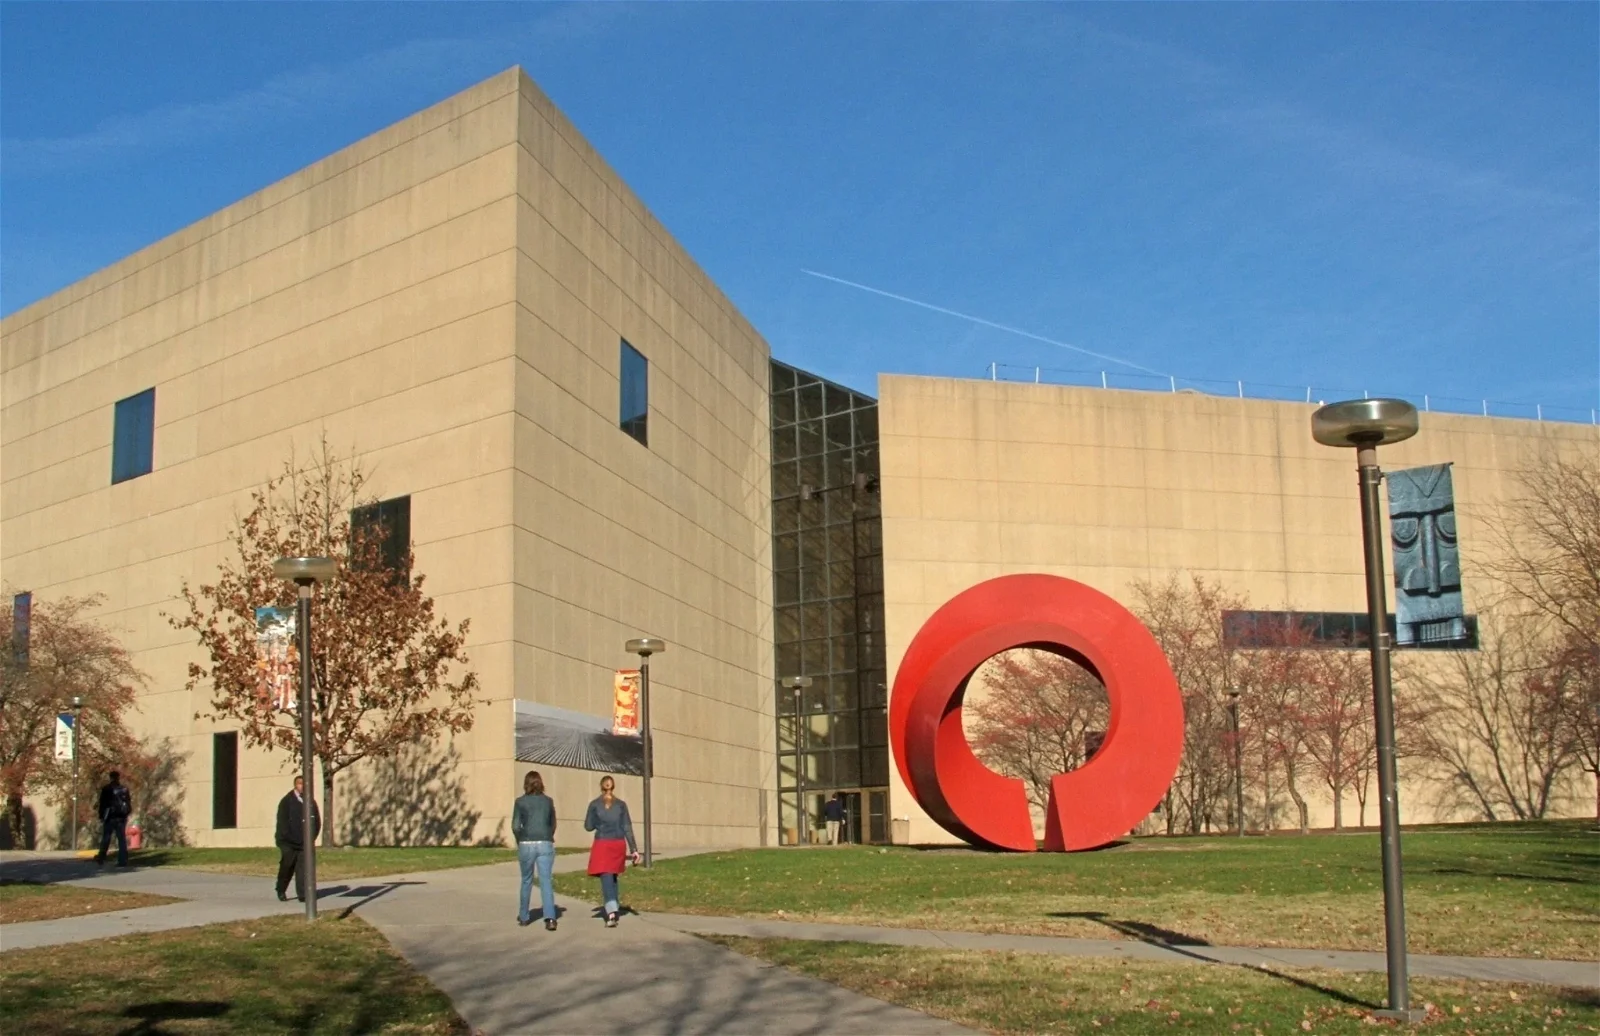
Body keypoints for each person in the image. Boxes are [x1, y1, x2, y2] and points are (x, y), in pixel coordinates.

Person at [583, 774, 639, 927]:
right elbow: (627, 827)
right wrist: (634, 849)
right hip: (618, 843)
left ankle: (611, 912)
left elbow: (588, 826)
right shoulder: (621, 805)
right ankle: (614, 905)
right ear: (613, 787)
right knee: (612, 875)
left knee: (606, 875)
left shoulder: (594, 804)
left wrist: (598, 820)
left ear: (601, 787)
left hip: (602, 843)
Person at [512, 770, 559, 930]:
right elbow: (553, 823)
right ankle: (551, 918)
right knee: (545, 880)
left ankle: (524, 916)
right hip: (545, 842)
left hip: (526, 842)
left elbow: (515, 826)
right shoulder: (548, 801)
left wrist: (520, 840)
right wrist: (548, 836)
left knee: (526, 880)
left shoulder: (520, 802)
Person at [274, 776, 321, 902]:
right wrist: (289, 838)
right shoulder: (286, 801)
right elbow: (282, 823)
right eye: (300, 784)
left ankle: (303, 894)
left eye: (304, 784)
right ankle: (281, 889)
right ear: (295, 785)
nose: (302, 786)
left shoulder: (310, 801)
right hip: (288, 842)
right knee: (287, 866)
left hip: (304, 843)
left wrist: (311, 838)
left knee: (303, 868)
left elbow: (316, 821)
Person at [95, 771, 133, 867]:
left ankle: (102, 857)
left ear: (110, 777)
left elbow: (102, 804)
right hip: (121, 817)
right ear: (118, 777)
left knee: (106, 837)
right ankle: (123, 860)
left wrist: (101, 816)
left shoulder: (107, 789)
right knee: (121, 839)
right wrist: (126, 814)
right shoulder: (124, 789)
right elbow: (128, 802)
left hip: (110, 816)